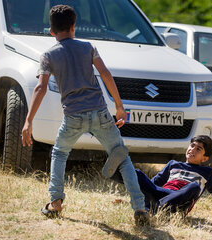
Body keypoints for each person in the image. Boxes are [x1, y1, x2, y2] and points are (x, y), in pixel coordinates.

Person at [21, 5, 149, 226]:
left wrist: (28, 121)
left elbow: (40, 88)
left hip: (73, 117)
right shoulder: (89, 47)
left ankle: (56, 202)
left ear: (51, 31)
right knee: (122, 156)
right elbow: (106, 74)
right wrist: (119, 106)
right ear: (74, 27)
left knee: (60, 153)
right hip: (100, 112)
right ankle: (139, 207)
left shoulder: (48, 56)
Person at [117, 135, 212, 223]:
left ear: (205, 158)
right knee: (138, 174)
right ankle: (114, 172)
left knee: (194, 187)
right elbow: (153, 184)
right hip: (162, 194)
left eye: (198, 149)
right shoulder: (173, 164)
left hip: (179, 203)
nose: (192, 149)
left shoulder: (207, 173)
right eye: (192, 145)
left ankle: (152, 209)